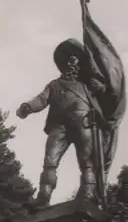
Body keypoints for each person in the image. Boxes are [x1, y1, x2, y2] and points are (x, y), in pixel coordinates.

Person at [16, 38, 108, 209]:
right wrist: (28, 107)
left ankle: (88, 195)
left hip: (84, 123)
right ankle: (43, 196)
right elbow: (41, 99)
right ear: (64, 62)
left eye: (76, 57)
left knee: (87, 162)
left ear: (80, 62)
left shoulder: (87, 85)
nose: (72, 60)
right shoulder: (54, 85)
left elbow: (107, 96)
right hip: (59, 126)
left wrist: (101, 88)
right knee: (50, 161)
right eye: (69, 57)